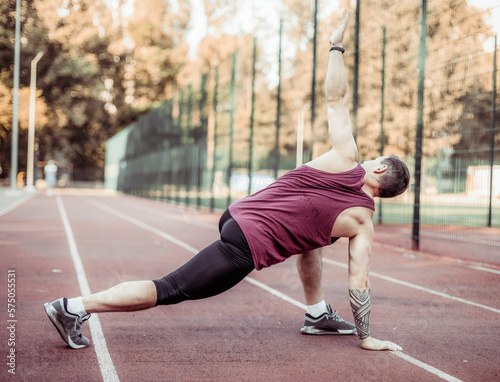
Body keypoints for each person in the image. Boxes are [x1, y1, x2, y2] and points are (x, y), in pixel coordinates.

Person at [44, 9, 409, 352]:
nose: (369, 157)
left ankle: (316, 315)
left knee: (313, 239)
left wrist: (335, 46)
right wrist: (367, 337)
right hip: (244, 245)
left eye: (376, 158)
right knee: (170, 288)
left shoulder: (344, 158)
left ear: (378, 170)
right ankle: (72, 307)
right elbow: (358, 281)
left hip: (236, 216)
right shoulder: (362, 223)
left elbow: (336, 98)